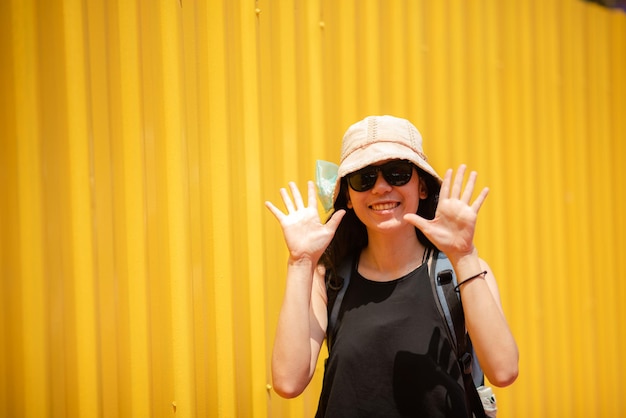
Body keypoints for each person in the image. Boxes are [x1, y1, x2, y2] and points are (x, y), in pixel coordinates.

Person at [265, 115, 518, 417]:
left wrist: (464, 255)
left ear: (422, 187)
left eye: (397, 173)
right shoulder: (329, 279)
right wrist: (300, 262)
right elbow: (287, 382)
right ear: (348, 194)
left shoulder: (458, 271)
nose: (381, 188)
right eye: (364, 178)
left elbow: (504, 371)